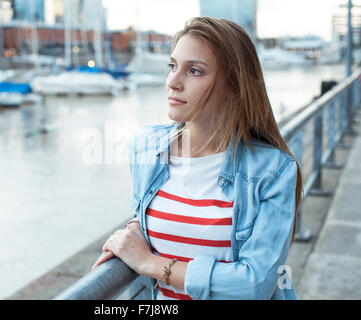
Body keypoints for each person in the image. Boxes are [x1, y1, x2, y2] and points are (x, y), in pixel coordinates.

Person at [92, 17, 303, 300]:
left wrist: (151, 264)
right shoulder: (145, 148)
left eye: (194, 71)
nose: (173, 82)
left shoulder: (273, 172)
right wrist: (132, 232)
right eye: (172, 66)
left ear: (234, 86)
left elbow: (255, 284)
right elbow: (144, 216)